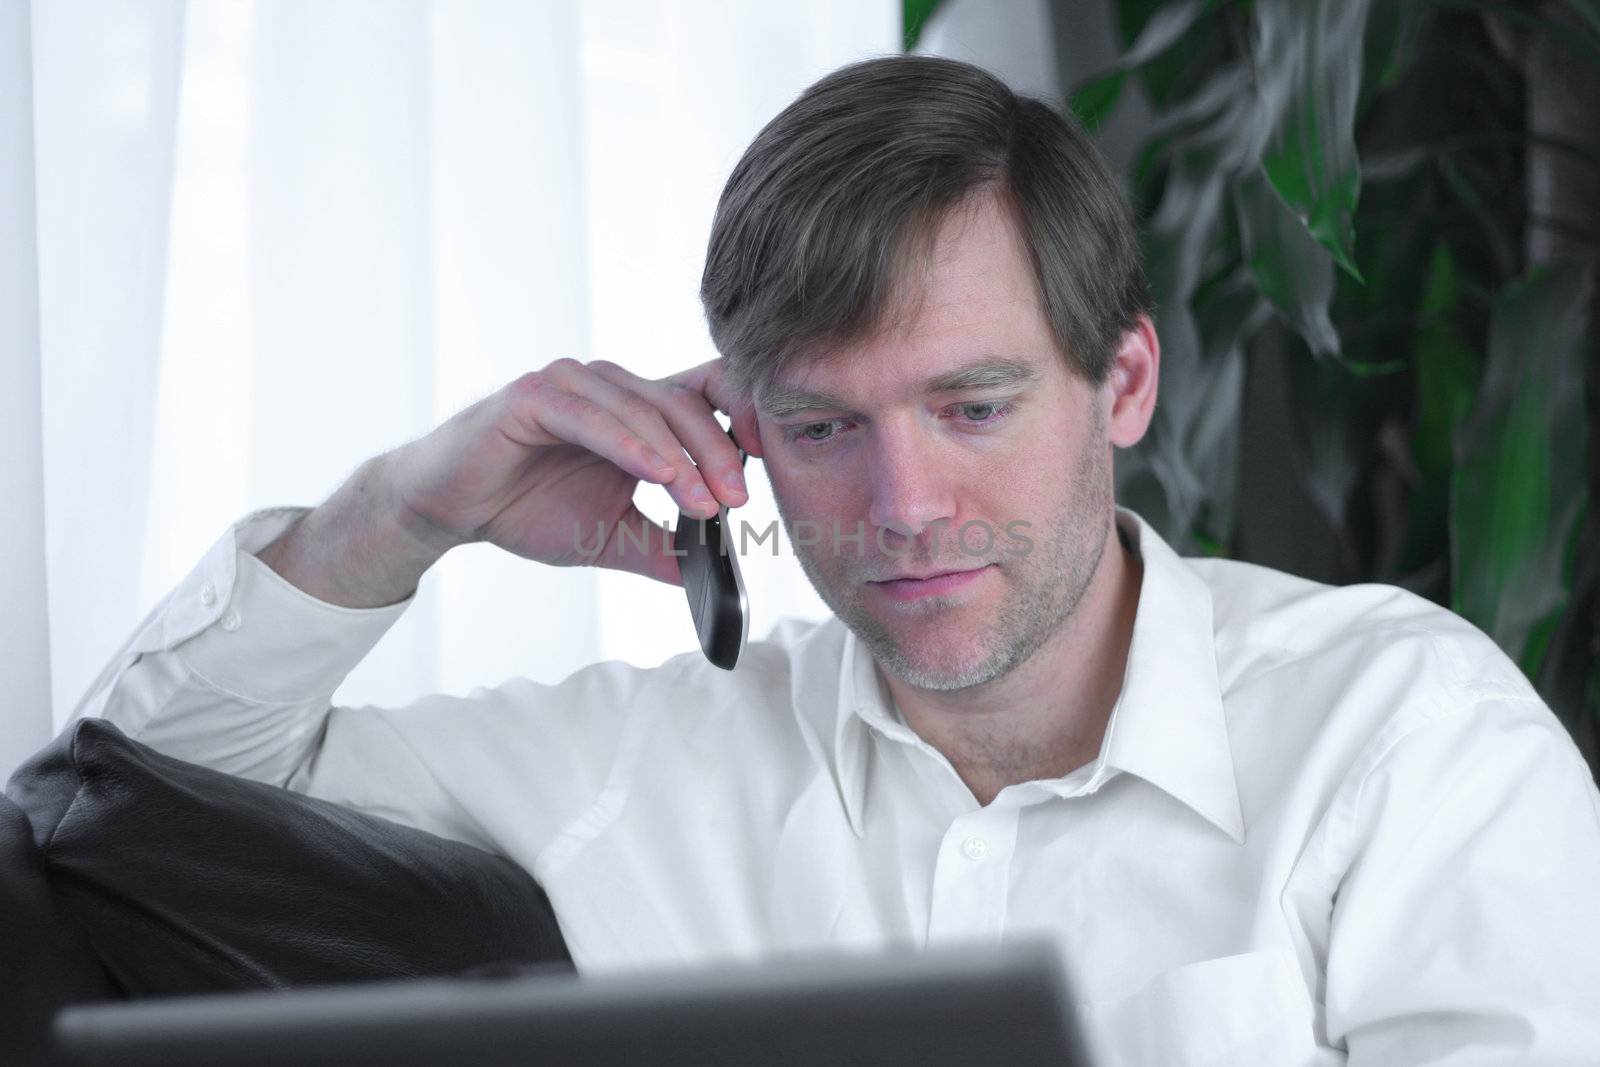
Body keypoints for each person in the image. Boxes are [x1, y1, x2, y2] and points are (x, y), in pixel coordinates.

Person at [70, 54, 1600, 1064]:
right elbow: (120, 807)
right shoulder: (635, 768)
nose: (903, 501)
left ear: (1122, 384)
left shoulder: (1405, 742)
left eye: (973, 407)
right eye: (819, 427)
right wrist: (403, 514)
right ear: (732, 430)